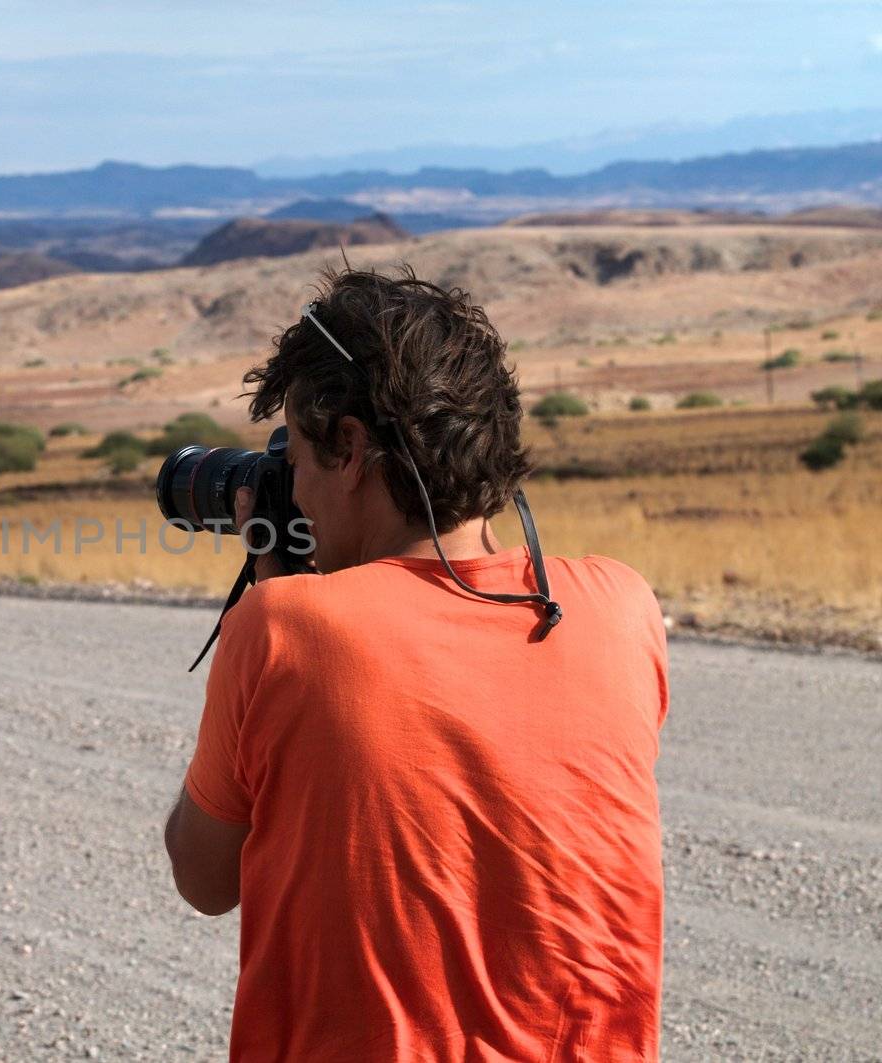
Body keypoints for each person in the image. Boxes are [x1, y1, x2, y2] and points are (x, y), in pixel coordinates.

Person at [162, 266, 669, 1061]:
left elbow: (203, 877)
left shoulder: (283, 628)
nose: (290, 490)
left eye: (293, 459)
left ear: (351, 448)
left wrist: (280, 596)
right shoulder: (621, 605)